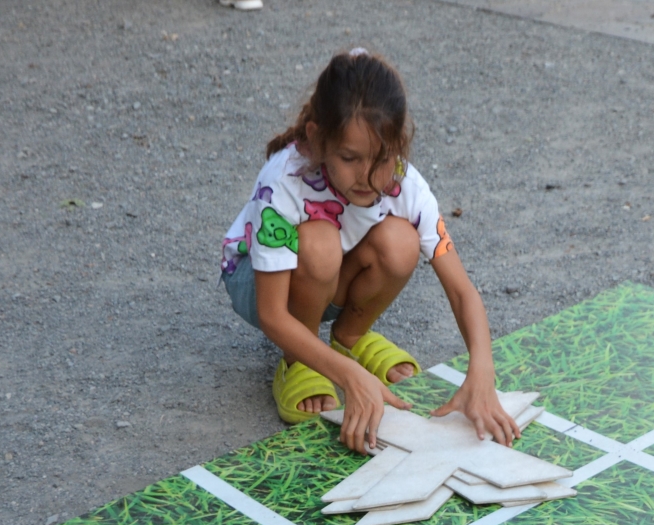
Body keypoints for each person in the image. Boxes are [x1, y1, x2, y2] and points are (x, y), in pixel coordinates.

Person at [220, 48, 515, 454]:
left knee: (401, 242)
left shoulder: (404, 184)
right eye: (349, 158)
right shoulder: (284, 182)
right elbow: (272, 315)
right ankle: (299, 359)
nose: (367, 176)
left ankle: (350, 338)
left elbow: (462, 291)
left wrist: (481, 372)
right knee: (320, 242)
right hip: (258, 285)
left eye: (382, 159)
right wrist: (350, 377)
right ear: (316, 138)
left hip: (328, 276)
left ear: (399, 146)